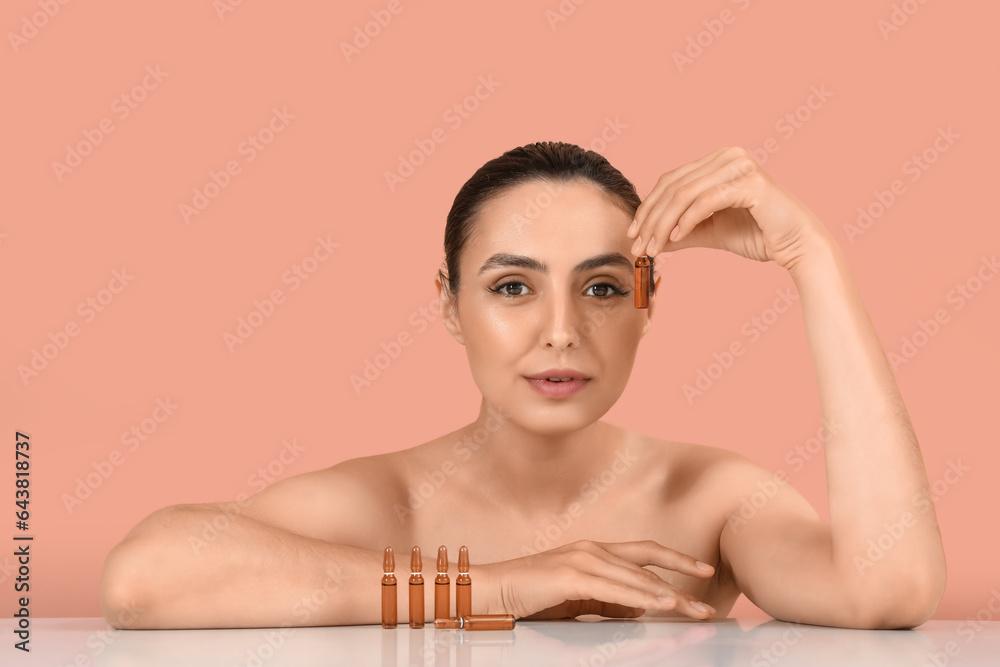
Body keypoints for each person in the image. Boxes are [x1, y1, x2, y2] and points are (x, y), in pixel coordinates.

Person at [99, 142, 946, 631]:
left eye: (604, 287)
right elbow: (145, 575)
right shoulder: (391, 501)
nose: (560, 330)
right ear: (449, 305)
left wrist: (814, 260)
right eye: (512, 286)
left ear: (650, 306)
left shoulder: (709, 500)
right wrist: (501, 585)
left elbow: (890, 588)